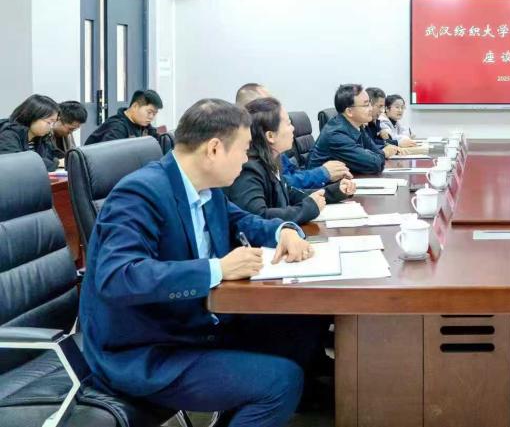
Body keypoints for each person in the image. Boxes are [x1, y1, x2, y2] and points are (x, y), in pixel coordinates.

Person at [79, 99, 321, 427]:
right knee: (281, 382)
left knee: (301, 322)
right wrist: (218, 269)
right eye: (244, 150)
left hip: (196, 323)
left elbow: (242, 221)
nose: (247, 159)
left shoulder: (205, 188)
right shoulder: (139, 193)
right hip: (147, 350)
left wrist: (284, 231)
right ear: (214, 149)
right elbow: (119, 277)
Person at [228, 97, 355, 225]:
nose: (293, 128)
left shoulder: (273, 159)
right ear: (270, 136)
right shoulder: (248, 169)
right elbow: (259, 216)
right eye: (288, 124)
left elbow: (289, 193)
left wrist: (334, 191)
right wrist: (308, 209)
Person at [234, 83, 350, 190]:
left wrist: (332, 190)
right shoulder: (245, 155)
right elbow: (283, 184)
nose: (274, 107)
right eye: (267, 103)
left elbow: (291, 177)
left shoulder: (272, 146)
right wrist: (323, 174)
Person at [307, 84, 398, 173]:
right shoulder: (336, 135)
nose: (371, 108)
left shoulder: (357, 125)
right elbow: (374, 164)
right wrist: (382, 154)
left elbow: (374, 152)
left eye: (370, 104)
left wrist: (375, 155)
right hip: (322, 182)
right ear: (349, 112)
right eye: (366, 105)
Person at [0, 94, 60, 170]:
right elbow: (17, 164)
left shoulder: (41, 137)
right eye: (49, 122)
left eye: (53, 123)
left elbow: (50, 158)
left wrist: (53, 162)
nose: (51, 127)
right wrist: (54, 163)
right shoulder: (8, 134)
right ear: (32, 116)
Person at [85, 89, 162, 144]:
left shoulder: (144, 125)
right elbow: (108, 157)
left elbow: (158, 142)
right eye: (149, 112)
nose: (151, 117)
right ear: (135, 106)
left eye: (154, 114)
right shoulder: (117, 127)